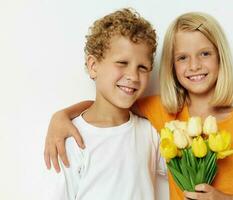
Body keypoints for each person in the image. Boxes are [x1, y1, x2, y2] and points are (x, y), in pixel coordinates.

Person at [44, 11, 233, 200]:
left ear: (221, 58)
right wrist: (61, 116)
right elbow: (110, 107)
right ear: (172, 65)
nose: (194, 65)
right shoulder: (163, 112)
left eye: (205, 53)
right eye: (183, 57)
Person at [52, 8, 166, 200]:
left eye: (143, 67)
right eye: (122, 62)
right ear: (93, 66)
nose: (133, 76)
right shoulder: (72, 139)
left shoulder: (151, 132)